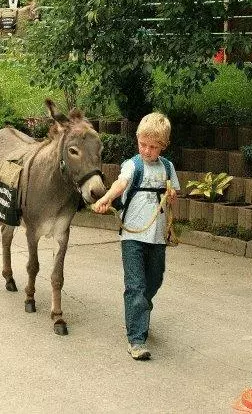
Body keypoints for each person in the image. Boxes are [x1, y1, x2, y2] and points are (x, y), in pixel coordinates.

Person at [92, 112, 180, 361]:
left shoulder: (168, 167)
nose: (146, 150)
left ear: (163, 146)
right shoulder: (133, 165)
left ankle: (138, 311)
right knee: (136, 286)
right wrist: (106, 198)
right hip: (132, 236)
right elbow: (120, 184)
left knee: (154, 280)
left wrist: (172, 198)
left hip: (157, 236)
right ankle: (137, 340)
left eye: (153, 147)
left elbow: (174, 195)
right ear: (137, 140)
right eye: (143, 144)